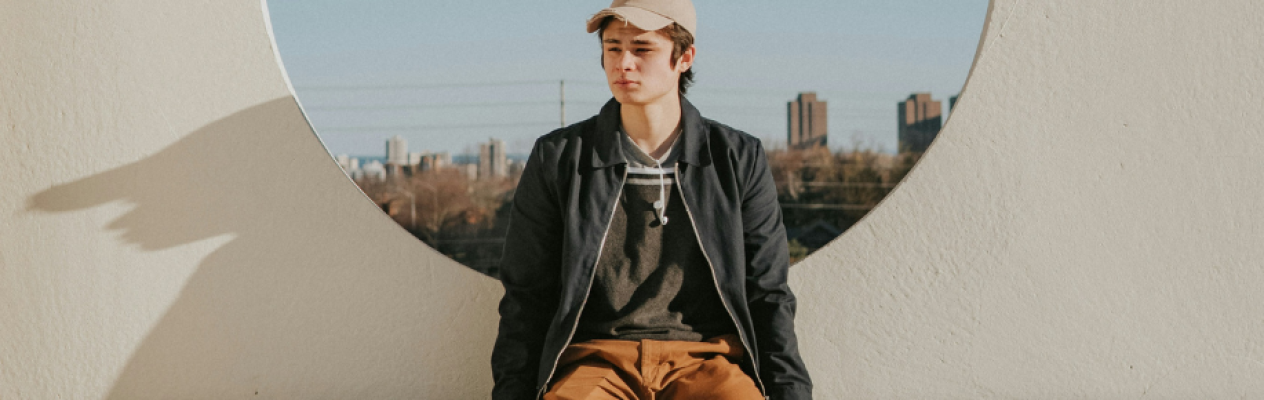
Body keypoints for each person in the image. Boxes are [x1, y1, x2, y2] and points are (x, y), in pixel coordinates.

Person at [491, 0, 812, 398]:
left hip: (707, 359)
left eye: (642, 49)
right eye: (612, 48)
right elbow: (526, 294)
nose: (623, 63)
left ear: (684, 57)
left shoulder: (735, 158)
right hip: (595, 360)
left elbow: (768, 291)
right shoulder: (558, 158)